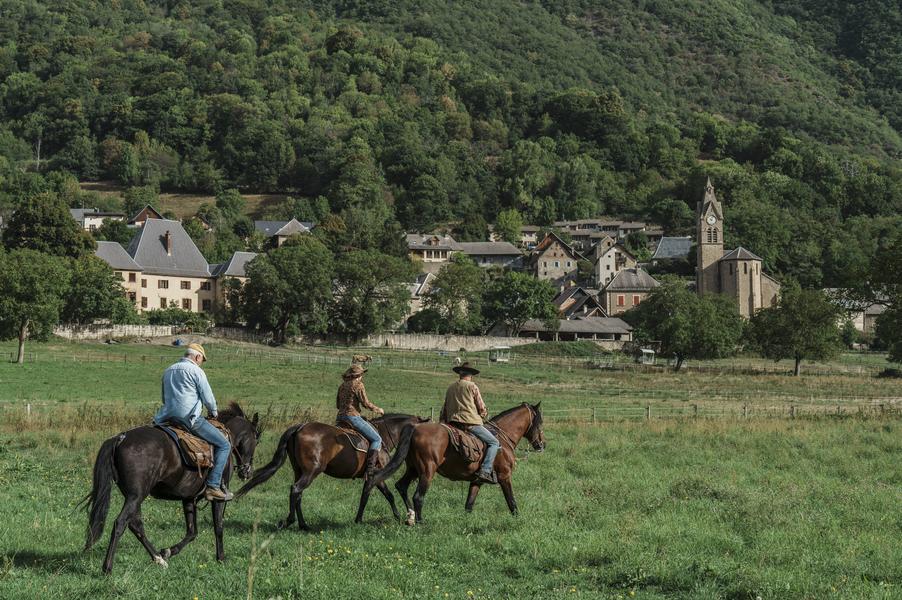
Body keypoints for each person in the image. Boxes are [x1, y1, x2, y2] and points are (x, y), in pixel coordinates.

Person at [153, 343, 233, 502]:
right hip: (189, 419)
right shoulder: (197, 371)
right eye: (202, 359)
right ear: (197, 357)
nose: (201, 362)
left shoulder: (168, 370)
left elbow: (164, 397)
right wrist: (213, 412)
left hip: (166, 418)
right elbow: (208, 397)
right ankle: (213, 486)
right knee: (224, 445)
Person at [440, 362, 500, 484]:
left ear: (460, 374)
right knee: (494, 442)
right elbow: (482, 407)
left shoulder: (450, 387)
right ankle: (485, 470)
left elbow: (444, 409)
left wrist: (443, 421)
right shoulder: (472, 386)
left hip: (452, 424)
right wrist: (483, 415)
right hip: (470, 424)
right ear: (471, 375)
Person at [336, 364, 385, 479]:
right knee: (377, 439)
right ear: (359, 375)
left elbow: (338, 405)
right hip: (353, 418)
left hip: (340, 418)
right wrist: (378, 409)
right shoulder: (358, 385)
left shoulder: (342, 386)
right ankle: (370, 470)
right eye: (362, 374)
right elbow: (365, 403)